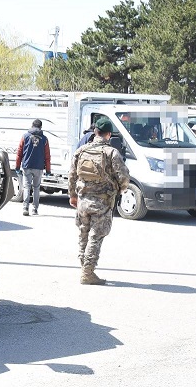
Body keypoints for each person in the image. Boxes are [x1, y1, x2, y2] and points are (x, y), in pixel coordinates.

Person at [69, 117, 130, 285]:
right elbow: (124, 177)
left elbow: (72, 175)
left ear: (95, 132)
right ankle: (88, 273)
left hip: (83, 201)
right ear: (108, 134)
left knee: (83, 234)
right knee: (95, 237)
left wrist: (72, 195)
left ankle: (84, 267)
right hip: (102, 203)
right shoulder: (112, 153)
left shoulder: (81, 151)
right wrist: (121, 189)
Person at [15, 118, 51, 216]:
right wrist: (48, 170)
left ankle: (25, 208)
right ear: (41, 127)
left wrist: (17, 166)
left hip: (27, 166)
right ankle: (35, 209)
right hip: (39, 167)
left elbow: (19, 152)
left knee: (26, 187)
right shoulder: (44, 139)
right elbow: (47, 155)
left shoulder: (25, 136)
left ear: (32, 125)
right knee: (36, 188)